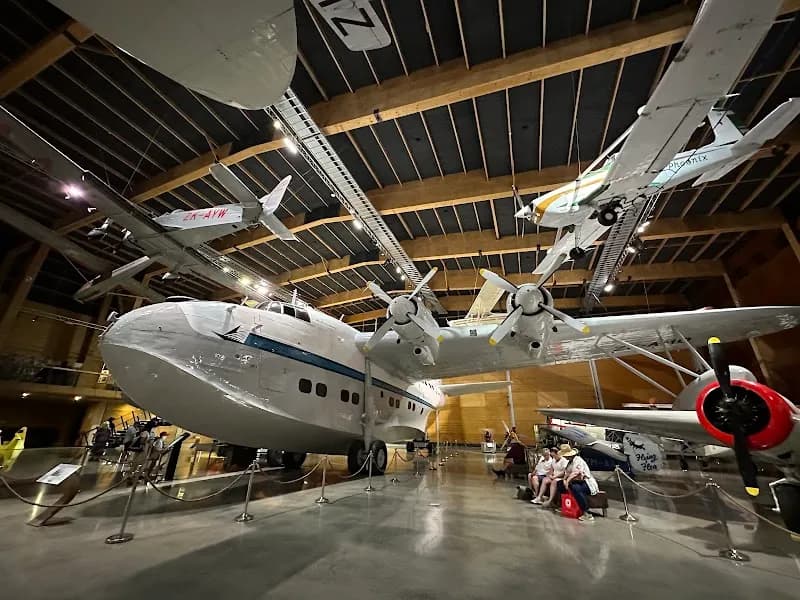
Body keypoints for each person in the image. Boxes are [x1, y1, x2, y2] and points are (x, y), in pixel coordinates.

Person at [558, 445, 599, 522]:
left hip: (587, 482)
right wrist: (564, 480)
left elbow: (576, 473)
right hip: (576, 481)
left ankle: (586, 513)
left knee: (576, 488)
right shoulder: (569, 463)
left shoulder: (578, 460)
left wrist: (567, 481)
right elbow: (567, 473)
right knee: (560, 484)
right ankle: (565, 506)